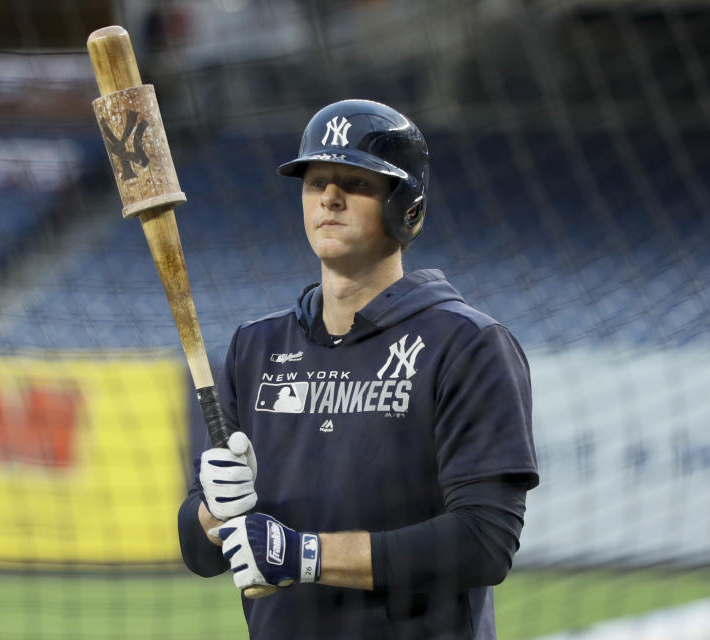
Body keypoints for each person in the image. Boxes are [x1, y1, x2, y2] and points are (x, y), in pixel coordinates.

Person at [177, 99, 539, 639]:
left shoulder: (467, 345)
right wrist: (212, 513)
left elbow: (484, 542)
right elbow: (197, 551)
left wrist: (306, 555)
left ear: (406, 207)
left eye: (356, 182)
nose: (329, 196)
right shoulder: (256, 347)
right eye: (314, 180)